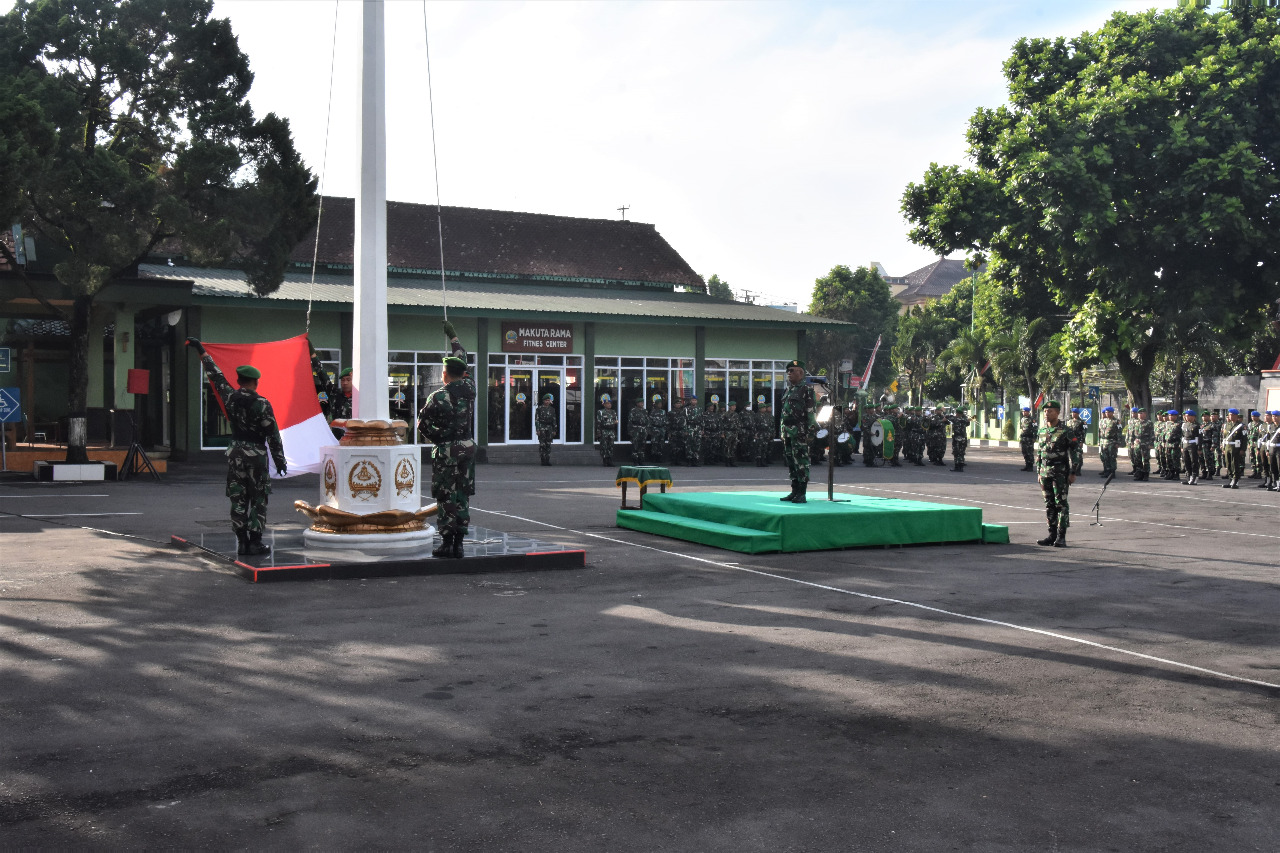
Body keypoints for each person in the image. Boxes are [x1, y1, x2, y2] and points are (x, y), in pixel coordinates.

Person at [186, 338, 286, 556]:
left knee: (238, 497)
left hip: (235, 454)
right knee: (259, 497)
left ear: (239, 380)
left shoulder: (230, 398)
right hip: (257, 455)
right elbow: (273, 435)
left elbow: (215, 374)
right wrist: (280, 461)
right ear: (255, 382)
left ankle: (241, 541)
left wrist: (201, 350)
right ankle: (255, 542)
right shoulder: (262, 404)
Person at [417, 322, 477, 559]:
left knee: (445, 495)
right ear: (462, 375)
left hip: (446, 450)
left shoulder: (438, 396)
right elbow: (464, 360)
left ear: (444, 375)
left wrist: (439, 438)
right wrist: (453, 337)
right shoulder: (469, 389)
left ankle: (447, 542)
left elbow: (422, 424)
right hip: (467, 448)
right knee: (462, 494)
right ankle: (459, 543)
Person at [1034, 400, 1077, 548]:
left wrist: (1073, 472)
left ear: (1058, 412)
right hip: (1045, 473)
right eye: (1045, 411)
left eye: (1050, 411)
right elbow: (1040, 452)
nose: (1047, 414)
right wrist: (1039, 470)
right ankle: (1051, 535)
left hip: (1060, 472)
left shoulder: (1066, 430)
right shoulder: (1042, 431)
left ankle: (1061, 536)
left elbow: (1075, 451)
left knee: (1061, 504)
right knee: (1049, 504)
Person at [779, 360, 818, 503]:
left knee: (801, 462)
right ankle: (794, 491)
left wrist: (810, 433)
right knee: (791, 462)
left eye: (792, 371)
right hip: (788, 432)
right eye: (788, 371)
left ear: (801, 373)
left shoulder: (806, 390)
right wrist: (782, 432)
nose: (789, 373)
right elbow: (783, 414)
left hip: (800, 432)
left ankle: (802, 492)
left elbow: (811, 413)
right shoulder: (788, 390)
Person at [309, 344, 353, 435]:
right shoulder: (335, 394)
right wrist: (313, 356)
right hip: (335, 440)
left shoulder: (361, 398)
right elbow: (323, 376)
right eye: (343, 380)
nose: (345, 383)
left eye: (348, 380)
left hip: (353, 440)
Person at [1221, 408, 1247, 489]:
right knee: (1228, 464)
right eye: (1229, 415)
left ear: (1236, 416)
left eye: (1232, 415)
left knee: (1235, 464)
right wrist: (1223, 447)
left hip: (1236, 447)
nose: (1230, 416)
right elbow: (1224, 437)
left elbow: (1244, 439)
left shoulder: (1241, 426)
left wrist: (1243, 449)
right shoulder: (1227, 425)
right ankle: (1230, 479)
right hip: (1227, 447)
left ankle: (1236, 481)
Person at [1132, 407, 1154, 481]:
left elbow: (1152, 434)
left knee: (1145, 459)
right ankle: (1139, 473)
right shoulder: (1136, 423)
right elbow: (1132, 434)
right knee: (1137, 459)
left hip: (1145, 443)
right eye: (1139, 414)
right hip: (1137, 442)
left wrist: (1151, 444)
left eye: (1141, 413)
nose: (1140, 415)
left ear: (1145, 414)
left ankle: (1146, 474)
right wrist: (1132, 442)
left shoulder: (1149, 423)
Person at [595, 394, 617, 467]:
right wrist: (598, 433)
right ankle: (605, 460)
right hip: (604, 431)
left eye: (610, 403)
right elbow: (599, 423)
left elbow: (615, 422)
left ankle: (610, 459)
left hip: (611, 431)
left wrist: (614, 430)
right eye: (607, 403)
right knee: (604, 446)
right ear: (604, 404)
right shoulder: (600, 412)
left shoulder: (613, 412)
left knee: (611, 446)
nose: (609, 405)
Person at [1180, 409, 1201, 485]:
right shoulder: (1184, 425)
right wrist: (1182, 446)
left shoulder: (1197, 425)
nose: (1186, 417)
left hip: (1193, 445)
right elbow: (1182, 436)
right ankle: (1189, 477)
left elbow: (1200, 437)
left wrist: (1199, 448)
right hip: (1185, 444)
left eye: (1188, 416)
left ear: (1193, 417)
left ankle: (1195, 477)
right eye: (1186, 416)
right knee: (1186, 461)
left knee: (1194, 462)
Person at [1097, 406, 1119, 477]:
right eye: (1106, 412)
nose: (1107, 413)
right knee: (1105, 457)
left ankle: (1112, 472)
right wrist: (1099, 441)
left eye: (1109, 412)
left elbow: (1119, 433)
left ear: (1112, 413)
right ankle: (1107, 470)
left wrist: (1117, 443)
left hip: (1111, 441)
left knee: (1112, 457)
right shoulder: (1103, 421)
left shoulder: (1116, 421)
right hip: (1103, 441)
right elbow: (1099, 432)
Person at [536, 393, 557, 466]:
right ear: (543, 401)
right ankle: (543, 460)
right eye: (546, 400)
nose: (547, 402)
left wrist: (554, 430)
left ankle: (547, 460)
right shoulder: (539, 409)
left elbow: (554, 420)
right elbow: (537, 420)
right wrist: (538, 429)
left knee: (548, 444)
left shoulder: (552, 409)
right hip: (542, 427)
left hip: (549, 428)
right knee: (542, 444)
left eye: (548, 400)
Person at [949, 405, 971, 472]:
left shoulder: (955, 419)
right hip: (963, 438)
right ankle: (961, 466)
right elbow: (968, 423)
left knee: (956, 452)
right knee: (961, 452)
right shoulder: (965, 420)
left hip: (957, 438)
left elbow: (948, 417)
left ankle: (957, 466)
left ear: (957, 413)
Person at [628, 398, 649, 465]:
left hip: (643, 429)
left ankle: (641, 460)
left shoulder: (645, 411)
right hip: (635, 429)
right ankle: (635, 460)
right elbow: (630, 421)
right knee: (635, 445)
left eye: (642, 403)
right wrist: (630, 431)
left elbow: (647, 421)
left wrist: (647, 430)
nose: (642, 404)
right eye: (640, 403)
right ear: (637, 403)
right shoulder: (633, 411)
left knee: (642, 445)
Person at [1019, 406, 1036, 471]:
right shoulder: (1023, 419)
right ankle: (1027, 465)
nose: (1023, 413)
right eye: (1023, 411)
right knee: (1024, 452)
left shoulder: (1032, 419)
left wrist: (1034, 437)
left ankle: (1030, 466)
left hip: (1029, 438)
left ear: (1028, 412)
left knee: (1029, 452)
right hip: (1024, 438)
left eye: (1025, 411)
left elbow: (1035, 428)